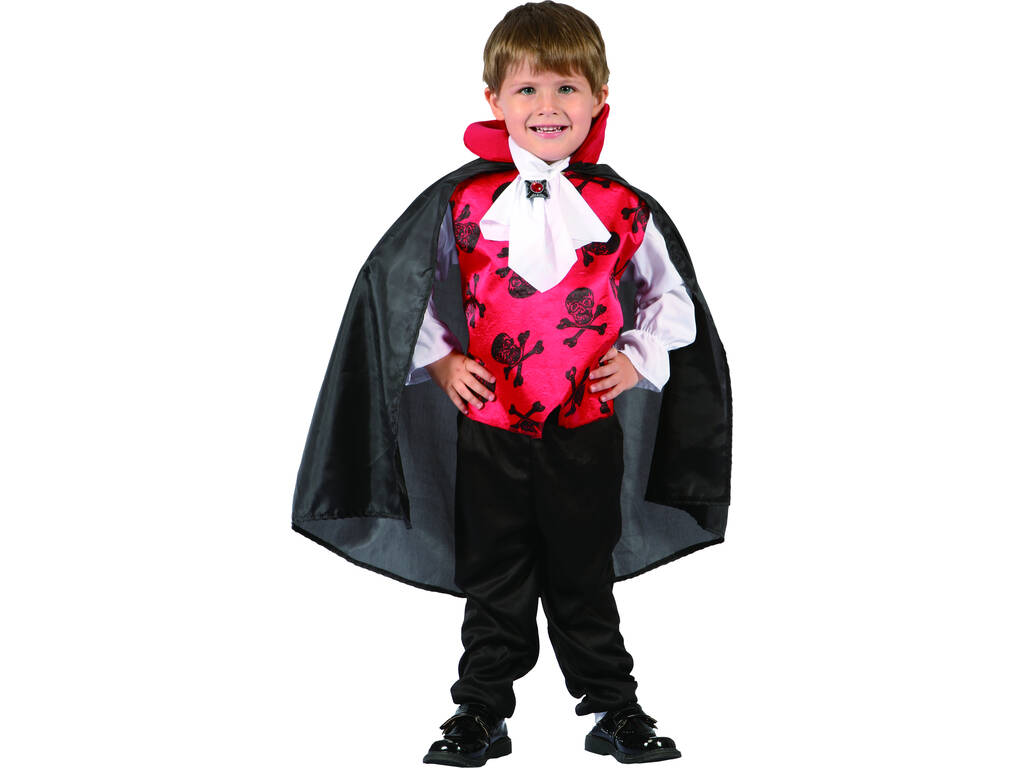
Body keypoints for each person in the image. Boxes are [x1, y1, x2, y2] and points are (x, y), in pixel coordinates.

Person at [291, 2, 733, 765]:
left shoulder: (622, 208)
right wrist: (439, 359)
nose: (547, 106)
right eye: (528, 89)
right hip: (491, 429)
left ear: (599, 99)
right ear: (494, 100)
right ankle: (480, 710)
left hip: (584, 429)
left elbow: (674, 300)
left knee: (583, 574)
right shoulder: (462, 203)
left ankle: (614, 707)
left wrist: (637, 356)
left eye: (566, 88)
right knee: (494, 577)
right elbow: (402, 290)